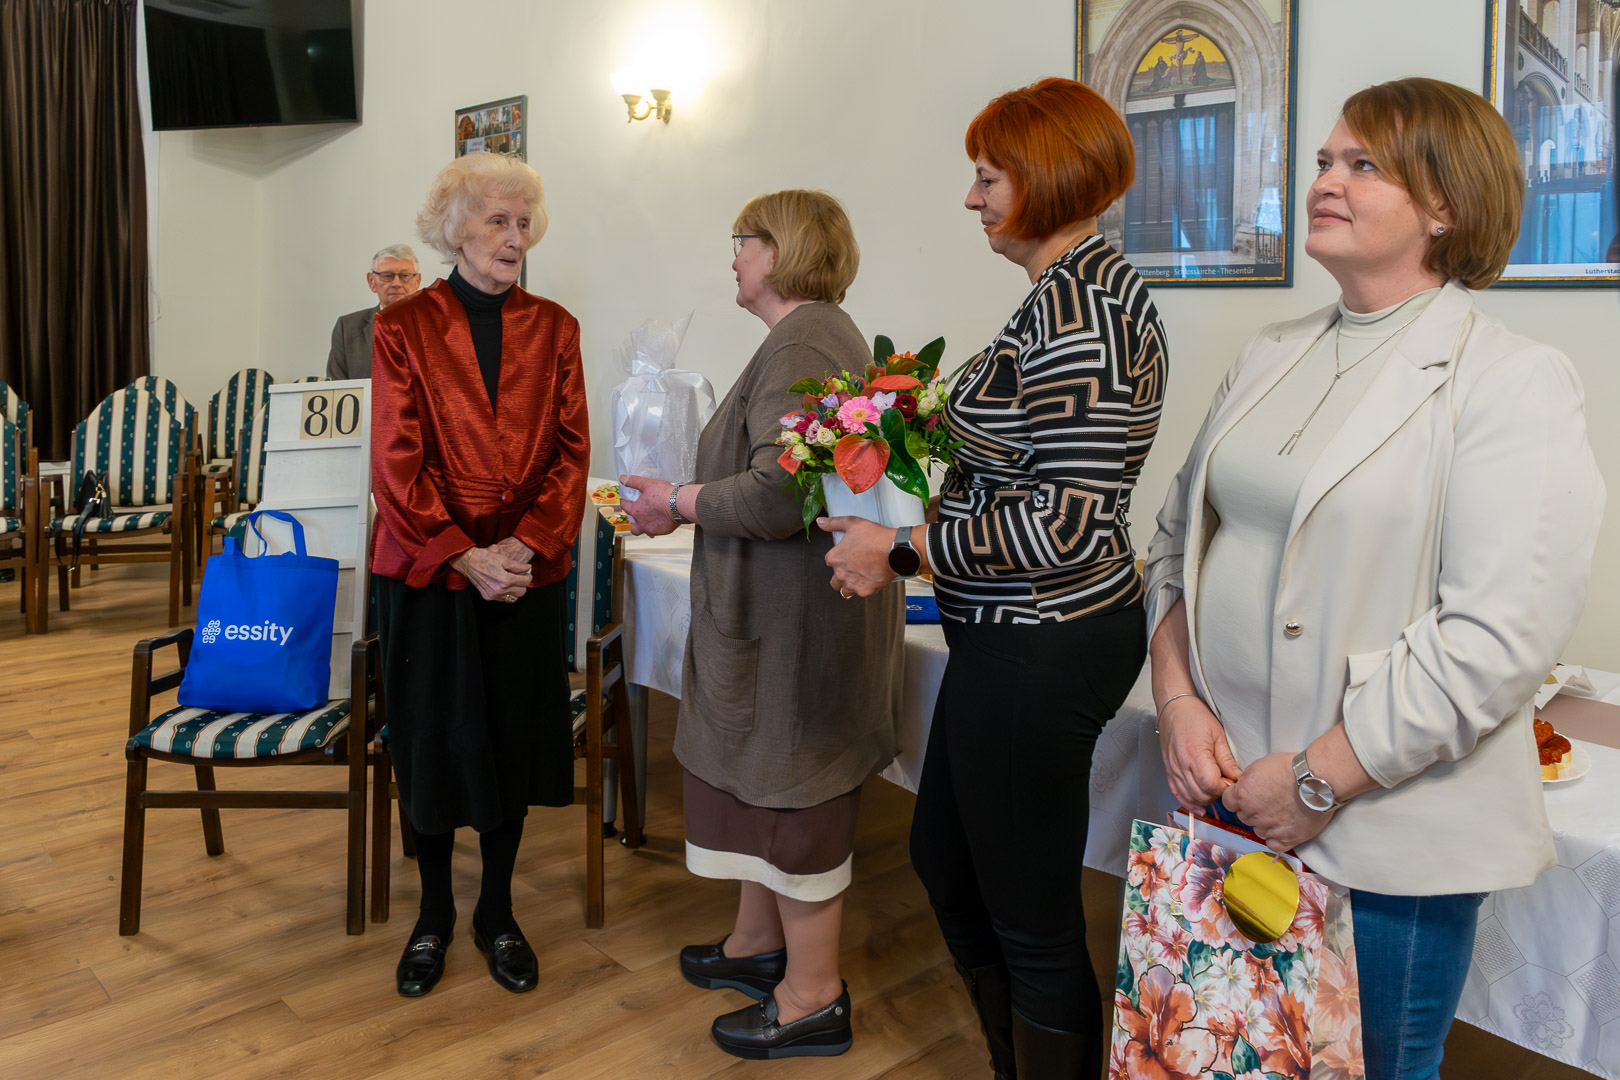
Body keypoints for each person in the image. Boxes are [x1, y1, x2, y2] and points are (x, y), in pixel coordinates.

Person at [1145, 77, 1605, 1080]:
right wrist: (1177, 702)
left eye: (1363, 165)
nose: (1326, 180)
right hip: (1228, 795)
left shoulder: (1510, 379)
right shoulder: (1269, 352)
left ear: (1444, 204)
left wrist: (1315, 779)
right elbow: (1178, 540)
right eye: (1323, 161)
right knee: (1228, 1057)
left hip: (1383, 822)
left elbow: (1496, 638)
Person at [824, 77, 1167, 1079]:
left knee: (1029, 913)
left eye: (988, 178)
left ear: (1047, 178)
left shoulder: (1086, 312)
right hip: (1010, 634)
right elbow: (1011, 458)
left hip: (1047, 636)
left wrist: (901, 551)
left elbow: (1061, 526)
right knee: (948, 861)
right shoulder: (1062, 292)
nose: (972, 199)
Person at [619, 190, 903, 1060]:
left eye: (742, 240)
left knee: (789, 798)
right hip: (784, 616)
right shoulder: (807, 336)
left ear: (778, 250)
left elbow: (778, 494)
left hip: (794, 627)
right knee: (757, 785)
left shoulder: (806, 340)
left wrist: (678, 501)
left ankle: (813, 997)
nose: (734, 256)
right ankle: (756, 946)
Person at [369, 152, 589, 999]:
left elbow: (572, 453)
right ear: (456, 230)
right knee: (430, 740)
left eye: (523, 222)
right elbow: (396, 461)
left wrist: (522, 550)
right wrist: (465, 552)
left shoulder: (557, 327)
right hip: (432, 570)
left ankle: (496, 911)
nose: (514, 236)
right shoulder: (403, 328)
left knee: (509, 740)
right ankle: (432, 914)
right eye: (497, 220)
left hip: (523, 574)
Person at [326, 244, 422, 380]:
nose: (396, 283)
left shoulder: (434, 326)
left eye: (404, 276)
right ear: (371, 281)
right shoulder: (347, 327)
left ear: (417, 281)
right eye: (387, 276)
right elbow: (336, 386)